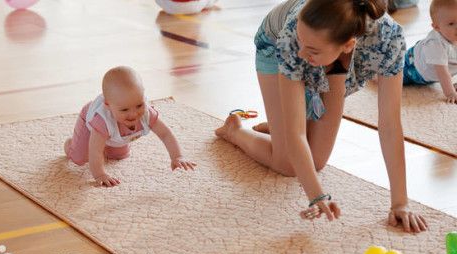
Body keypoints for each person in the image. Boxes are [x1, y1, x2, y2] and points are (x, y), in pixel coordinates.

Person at [215, 0, 428, 233]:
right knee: (287, 164)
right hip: (274, 46)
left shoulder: (388, 40)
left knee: (316, 161)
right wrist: (317, 196)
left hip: (337, 65)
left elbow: (389, 123)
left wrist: (400, 202)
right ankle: (235, 131)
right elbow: (296, 133)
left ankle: (278, 125)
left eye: (312, 50)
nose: (302, 54)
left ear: (348, 45)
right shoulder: (294, 40)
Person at [65, 66, 196, 187]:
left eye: (139, 105)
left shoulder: (146, 114)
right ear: (108, 106)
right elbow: (95, 151)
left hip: (115, 133)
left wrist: (177, 156)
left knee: (119, 156)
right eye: (124, 110)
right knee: (81, 158)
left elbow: (165, 134)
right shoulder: (101, 121)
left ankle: (109, 142)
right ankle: (71, 145)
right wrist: (100, 174)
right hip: (90, 126)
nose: (133, 114)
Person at [402, 0, 457, 104]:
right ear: (437, 27)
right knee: (392, 77)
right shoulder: (436, 44)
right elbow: (442, 73)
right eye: (451, 24)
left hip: (423, 53)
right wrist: (450, 93)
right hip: (413, 68)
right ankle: (375, 74)